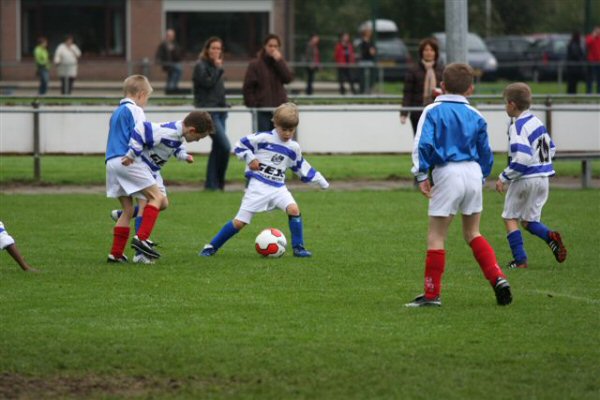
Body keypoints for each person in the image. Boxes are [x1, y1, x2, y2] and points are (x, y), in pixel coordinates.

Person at [406, 63, 512, 308]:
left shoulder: (432, 110)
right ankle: (498, 277)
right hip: (474, 173)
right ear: (471, 88)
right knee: (472, 232)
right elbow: (486, 152)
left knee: (436, 235)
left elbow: (422, 144)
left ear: (442, 86)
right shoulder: (477, 115)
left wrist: (421, 176)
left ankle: (432, 295)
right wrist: (482, 176)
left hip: (448, 172)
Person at [199, 102, 329, 258]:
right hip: (258, 187)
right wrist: (250, 158)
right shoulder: (262, 138)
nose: (287, 133)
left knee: (294, 209)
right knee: (240, 222)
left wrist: (320, 180)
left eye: (291, 130)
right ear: (275, 123)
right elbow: (240, 145)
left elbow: (301, 166)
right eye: (284, 129)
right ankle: (211, 247)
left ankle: (298, 248)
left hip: (279, 188)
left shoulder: (293, 147)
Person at [110, 111, 214, 263]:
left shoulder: (178, 134)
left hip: (153, 171)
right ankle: (141, 242)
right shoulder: (168, 131)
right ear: (192, 130)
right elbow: (141, 128)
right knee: (153, 200)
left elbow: (175, 146)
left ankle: (125, 217)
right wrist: (133, 153)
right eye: (199, 137)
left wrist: (184, 156)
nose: (198, 140)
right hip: (143, 166)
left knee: (163, 203)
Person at [495, 82, 567, 269]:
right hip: (543, 179)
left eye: (505, 103)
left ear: (512, 105)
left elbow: (522, 158)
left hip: (525, 178)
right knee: (528, 220)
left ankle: (520, 261)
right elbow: (551, 148)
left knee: (510, 217)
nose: (505, 107)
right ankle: (550, 236)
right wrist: (541, 164)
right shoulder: (537, 122)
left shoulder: (518, 126)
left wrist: (504, 177)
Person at [105, 74, 163, 263]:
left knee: (128, 210)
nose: (146, 102)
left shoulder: (117, 112)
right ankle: (142, 243)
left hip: (111, 162)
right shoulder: (136, 110)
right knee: (156, 198)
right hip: (127, 160)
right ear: (140, 94)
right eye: (147, 98)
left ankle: (116, 253)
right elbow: (140, 135)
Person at [193, 36, 231, 191]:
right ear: (207, 49)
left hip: (221, 111)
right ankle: (216, 182)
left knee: (218, 148)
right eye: (213, 48)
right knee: (225, 146)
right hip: (209, 113)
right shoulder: (201, 66)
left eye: (219, 48)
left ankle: (214, 184)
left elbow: (217, 90)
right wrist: (218, 69)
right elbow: (207, 84)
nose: (216, 51)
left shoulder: (217, 66)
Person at [243, 33, 293, 132]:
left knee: (278, 142)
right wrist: (254, 105)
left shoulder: (280, 63)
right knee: (262, 140)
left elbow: (288, 78)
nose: (273, 48)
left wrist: (279, 61)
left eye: (275, 46)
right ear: (265, 46)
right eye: (270, 46)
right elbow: (248, 87)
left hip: (279, 111)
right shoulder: (255, 64)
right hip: (262, 110)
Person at [401, 37, 444, 136]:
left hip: (437, 112)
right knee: (419, 140)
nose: (428, 52)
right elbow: (408, 93)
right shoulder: (413, 70)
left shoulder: (442, 70)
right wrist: (404, 113)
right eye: (426, 50)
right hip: (417, 112)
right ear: (421, 52)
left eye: (431, 50)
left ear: (436, 53)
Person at [156, 29, 183, 94]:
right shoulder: (163, 45)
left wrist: (173, 50)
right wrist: (160, 61)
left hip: (174, 63)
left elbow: (179, 55)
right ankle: (171, 88)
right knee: (177, 70)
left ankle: (171, 88)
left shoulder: (175, 44)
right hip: (167, 64)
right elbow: (159, 54)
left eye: (172, 36)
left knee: (174, 74)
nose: (171, 37)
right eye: (169, 36)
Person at [358, 27, 377, 94]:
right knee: (362, 78)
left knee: (371, 77)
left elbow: (373, 52)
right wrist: (370, 50)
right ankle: (362, 91)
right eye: (368, 31)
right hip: (363, 62)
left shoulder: (371, 42)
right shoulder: (362, 42)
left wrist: (371, 50)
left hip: (370, 61)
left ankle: (368, 90)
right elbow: (364, 52)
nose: (370, 33)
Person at [585, 26, 600, 94]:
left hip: (599, 61)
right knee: (590, 78)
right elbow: (587, 43)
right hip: (592, 61)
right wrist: (593, 36)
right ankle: (589, 92)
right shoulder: (590, 37)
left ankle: (598, 92)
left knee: (599, 78)